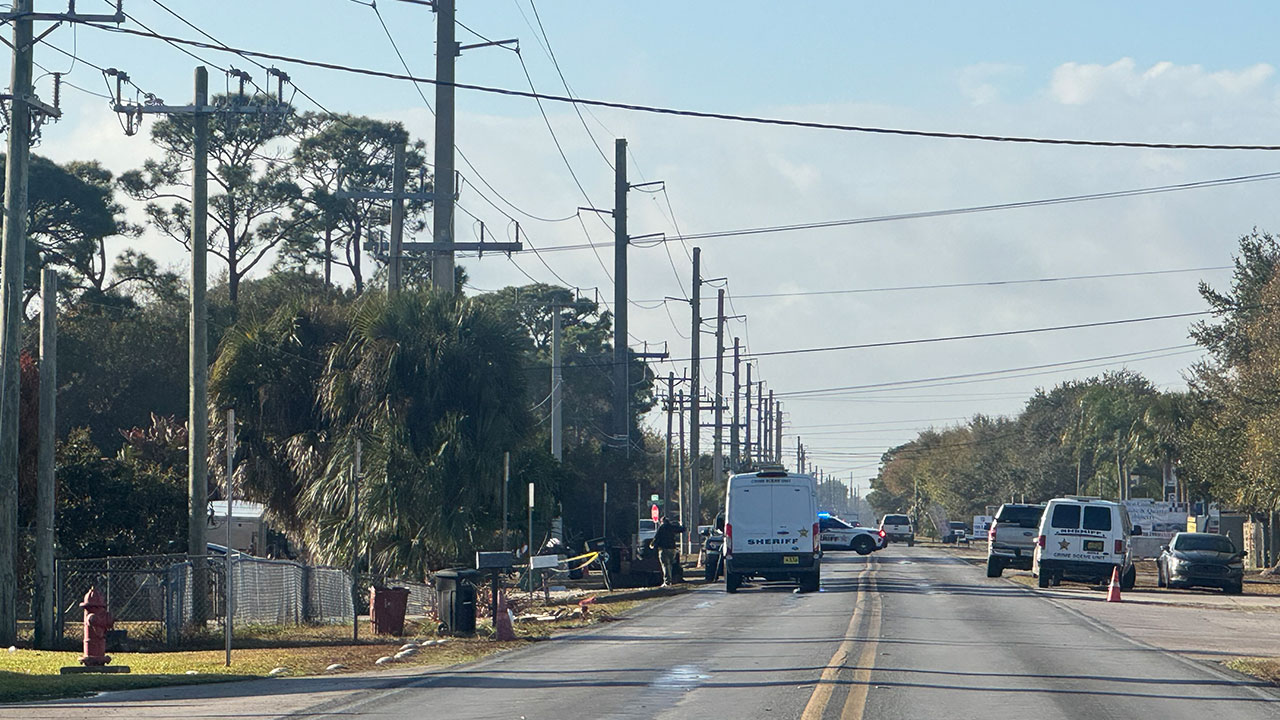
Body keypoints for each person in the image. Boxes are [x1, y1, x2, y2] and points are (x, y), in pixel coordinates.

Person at [652, 516, 685, 586]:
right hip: (673, 549)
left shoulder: (662, 527)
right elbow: (682, 529)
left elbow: (657, 537)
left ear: (661, 522)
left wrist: (653, 545)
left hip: (664, 549)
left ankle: (667, 581)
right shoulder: (672, 527)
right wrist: (682, 524)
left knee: (666, 565)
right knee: (671, 565)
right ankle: (672, 578)